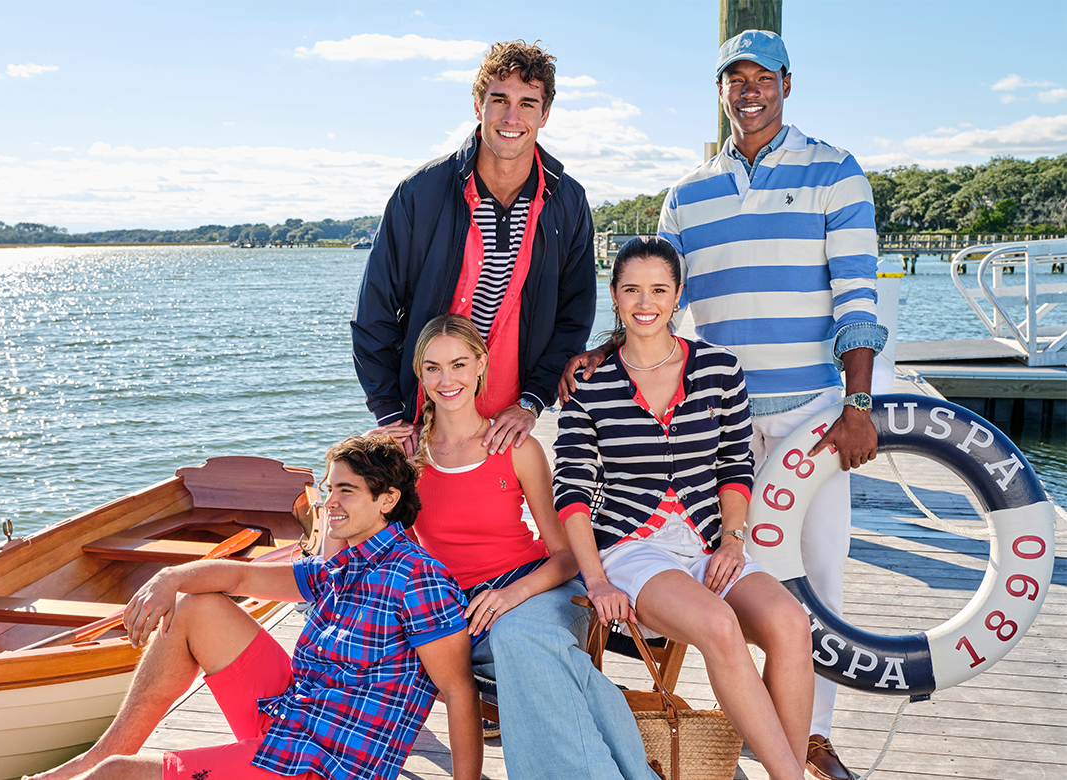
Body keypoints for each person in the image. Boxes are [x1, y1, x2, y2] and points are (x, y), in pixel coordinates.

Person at [561, 31, 886, 780]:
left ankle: (811, 740)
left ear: (786, 83)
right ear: (719, 90)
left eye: (762, 76)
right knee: (729, 585)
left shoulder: (836, 171)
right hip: (717, 418)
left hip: (810, 415)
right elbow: (656, 301)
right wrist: (602, 356)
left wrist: (859, 401)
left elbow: (858, 296)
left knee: (819, 581)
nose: (750, 89)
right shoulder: (686, 195)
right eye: (735, 78)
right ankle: (753, 735)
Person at [25, 434, 482, 780]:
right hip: (292, 719)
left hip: (324, 765)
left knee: (117, 777)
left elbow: (460, 691)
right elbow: (240, 578)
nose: (329, 503)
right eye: (328, 489)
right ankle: (97, 753)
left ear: (388, 499)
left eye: (346, 491)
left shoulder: (418, 578)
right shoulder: (343, 565)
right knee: (194, 608)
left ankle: (103, 765)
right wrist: (169, 578)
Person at [555, 237, 814, 780]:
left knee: (791, 624)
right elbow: (572, 490)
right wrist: (596, 579)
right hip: (631, 548)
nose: (644, 302)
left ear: (678, 296)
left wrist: (732, 540)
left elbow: (735, 465)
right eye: (631, 290)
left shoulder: (720, 369)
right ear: (614, 295)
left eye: (658, 290)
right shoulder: (590, 384)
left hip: (708, 542)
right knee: (719, 624)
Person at [371, 312, 661, 780]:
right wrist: (367, 461)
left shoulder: (515, 447)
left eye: (459, 365)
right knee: (551, 664)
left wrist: (512, 595)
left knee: (518, 635)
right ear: (419, 374)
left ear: (481, 365)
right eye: (433, 368)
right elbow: (374, 542)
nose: (447, 380)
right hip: (460, 609)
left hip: (539, 590)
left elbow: (565, 555)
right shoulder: (408, 457)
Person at [352, 39, 596, 459]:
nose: (512, 117)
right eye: (499, 100)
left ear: (545, 114)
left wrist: (532, 402)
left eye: (527, 103)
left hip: (508, 420)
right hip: (425, 413)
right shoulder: (421, 193)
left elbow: (574, 316)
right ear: (478, 106)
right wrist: (390, 411)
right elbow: (375, 309)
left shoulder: (567, 200)